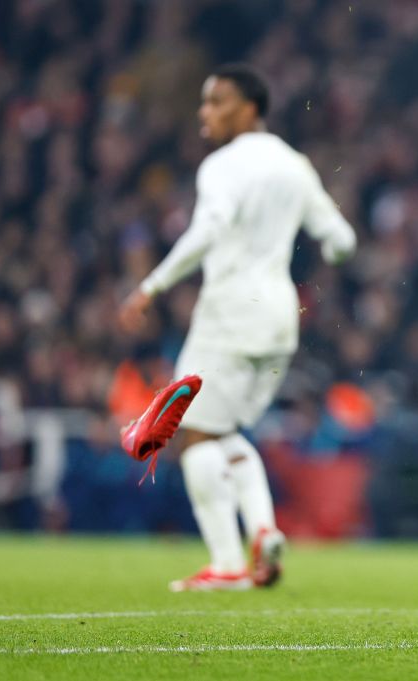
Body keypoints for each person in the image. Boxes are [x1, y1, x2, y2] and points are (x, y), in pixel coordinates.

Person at [119, 64, 357, 591]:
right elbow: (340, 237)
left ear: (248, 108)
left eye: (216, 102)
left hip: (229, 312)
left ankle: (226, 564)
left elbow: (208, 229)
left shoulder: (222, 166)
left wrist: (150, 286)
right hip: (278, 318)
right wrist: (333, 254)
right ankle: (265, 529)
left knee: (194, 435)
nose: (205, 113)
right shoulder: (295, 165)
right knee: (223, 431)